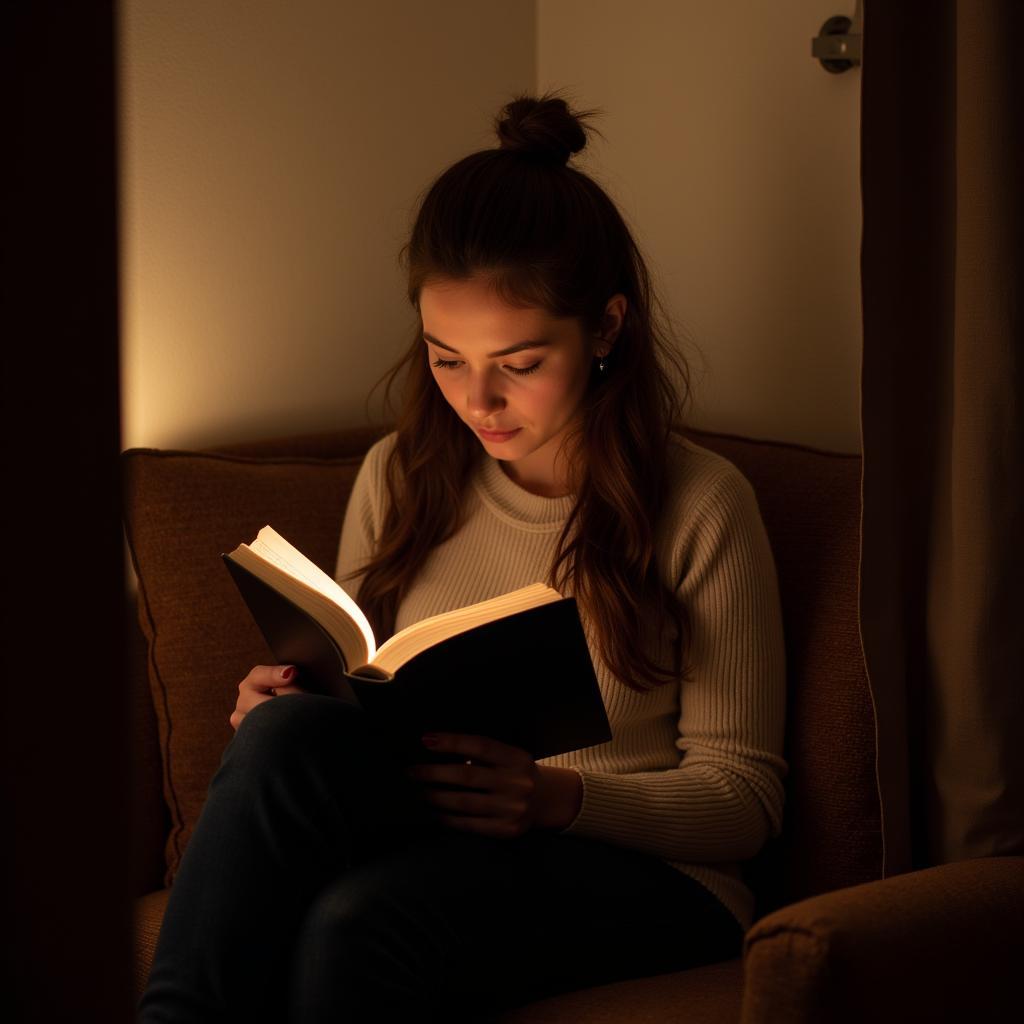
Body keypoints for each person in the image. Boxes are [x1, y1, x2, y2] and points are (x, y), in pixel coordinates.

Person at [139, 90, 787, 1023]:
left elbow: (745, 799)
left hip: (651, 876)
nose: (477, 400)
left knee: (358, 925)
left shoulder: (702, 503)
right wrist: (289, 705)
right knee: (282, 732)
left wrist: (555, 800)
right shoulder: (401, 474)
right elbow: (369, 683)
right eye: (447, 359)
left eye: (518, 363)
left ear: (606, 329)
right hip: (447, 836)